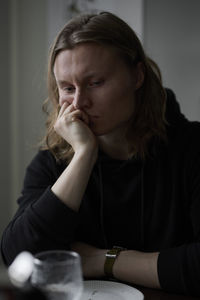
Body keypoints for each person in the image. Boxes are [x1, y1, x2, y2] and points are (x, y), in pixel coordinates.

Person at [1, 11, 200, 296]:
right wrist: (83, 156)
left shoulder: (192, 148)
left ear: (137, 76)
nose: (80, 102)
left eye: (95, 83)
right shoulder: (53, 162)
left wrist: (102, 260)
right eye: (68, 88)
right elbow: (20, 259)